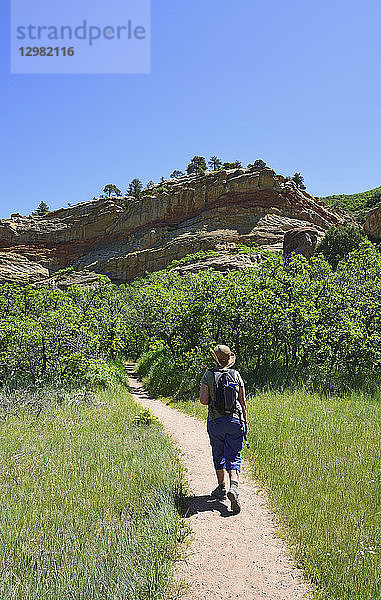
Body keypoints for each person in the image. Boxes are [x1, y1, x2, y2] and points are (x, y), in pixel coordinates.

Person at [199, 344, 248, 514]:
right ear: (229, 359)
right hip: (235, 421)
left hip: (216, 422)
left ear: (215, 359)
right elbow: (242, 402)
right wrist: (245, 423)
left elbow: (204, 400)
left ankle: (221, 488)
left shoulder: (208, 375)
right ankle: (233, 488)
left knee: (218, 454)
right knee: (233, 456)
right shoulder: (236, 374)